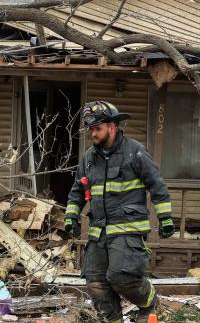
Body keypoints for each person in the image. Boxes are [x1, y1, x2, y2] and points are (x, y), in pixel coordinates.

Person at [64, 100, 174, 323]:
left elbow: (157, 184)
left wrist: (165, 217)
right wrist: (71, 217)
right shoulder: (89, 158)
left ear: (112, 127)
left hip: (128, 228)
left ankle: (150, 302)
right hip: (99, 231)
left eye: (97, 128)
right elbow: (77, 191)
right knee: (95, 282)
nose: (92, 134)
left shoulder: (134, 152)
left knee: (121, 277)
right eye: (90, 129)